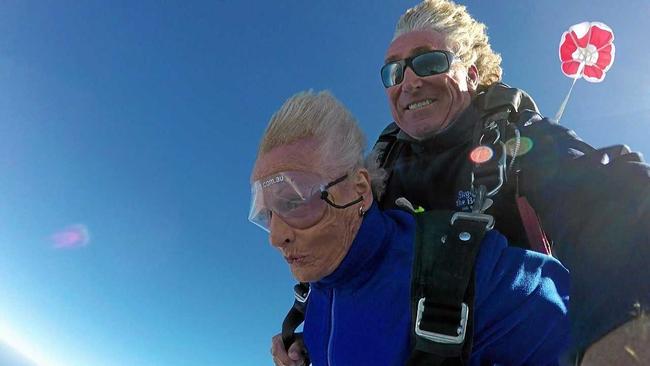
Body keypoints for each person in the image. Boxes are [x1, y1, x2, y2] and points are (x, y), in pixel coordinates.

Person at [274, 1, 650, 365]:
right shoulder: (381, 167)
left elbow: (610, 194)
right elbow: (361, 265)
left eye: (428, 61)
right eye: (394, 72)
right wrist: (322, 333)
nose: (409, 81)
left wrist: (623, 327)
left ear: (470, 74)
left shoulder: (514, 139)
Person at [254, 91, 570, 366]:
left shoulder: (459, 271)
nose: (275, 237)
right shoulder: (319, 291)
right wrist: (308, 343)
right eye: (266, 213)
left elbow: (580, 326)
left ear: (359, 189)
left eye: (295, 202)